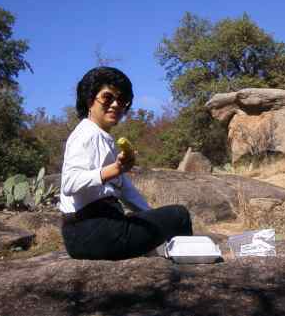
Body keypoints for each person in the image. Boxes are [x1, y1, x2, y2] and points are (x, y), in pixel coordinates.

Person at [59, 66, 193, 260]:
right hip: (90, 230)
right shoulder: (85, 134)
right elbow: (69, 184)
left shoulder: (104, 138)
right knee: (179, 216)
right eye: (107, 98)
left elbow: (127, 191)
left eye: (121, 100)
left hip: (101, 227)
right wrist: (113, 170)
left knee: (156, 227)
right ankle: (190, 272)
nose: (115, 105)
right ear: (90, 100)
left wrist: (152, 217)